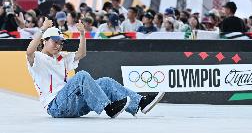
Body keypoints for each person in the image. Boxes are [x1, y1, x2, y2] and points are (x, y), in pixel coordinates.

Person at [26, 19, 165, 118]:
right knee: (82, 76)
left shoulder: (61, 57)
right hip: (56, 106)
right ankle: (108, 108)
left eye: (61, 43)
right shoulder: (37, 58)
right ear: (44, 41)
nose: (58, 45)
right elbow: (29, 52)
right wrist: (42, 29)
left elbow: (81, 54)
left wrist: (82, 35)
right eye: (54, 42)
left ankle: (141, 102)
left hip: (74, 105)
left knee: (105, 82)